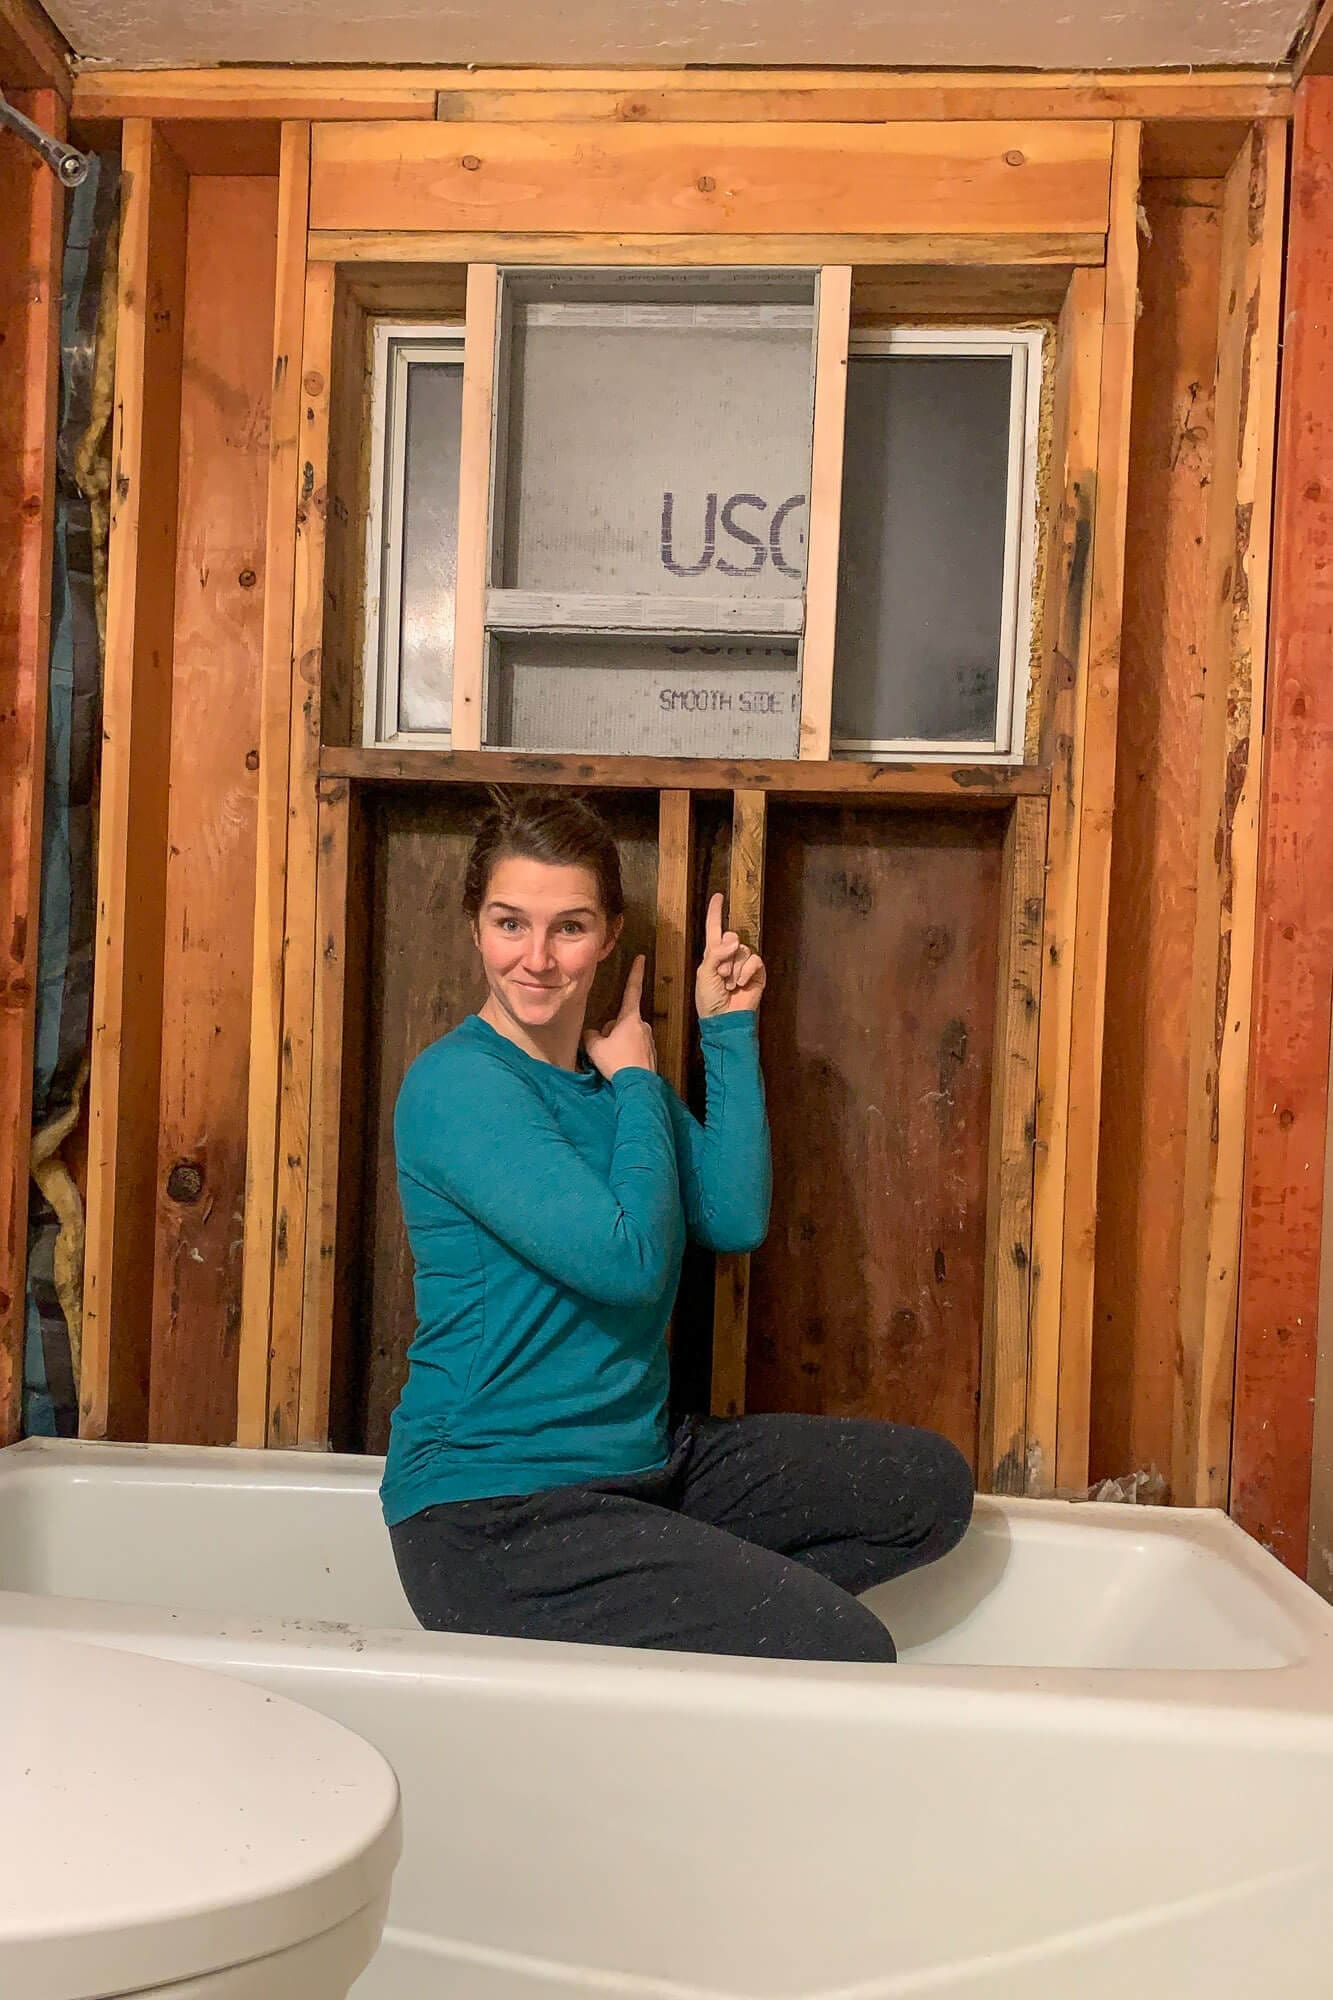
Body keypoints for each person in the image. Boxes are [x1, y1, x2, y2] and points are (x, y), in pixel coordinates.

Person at [383, 789, 973, 1663]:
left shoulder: (617, 1085)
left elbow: (733, 1217)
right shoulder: (458, 1088)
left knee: (927, 1489)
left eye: (569, 927)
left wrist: (724, 1031)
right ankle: (678, 1643)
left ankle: (666, 1636)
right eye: (511, 923)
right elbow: (630, 1262)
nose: (537, 959)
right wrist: (633, 1083)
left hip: (646, 1467)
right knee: (843, 1647)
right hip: (496, 1514)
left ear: (611, 934)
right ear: (474, 927)